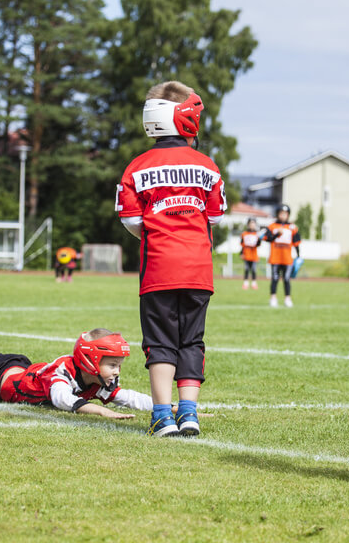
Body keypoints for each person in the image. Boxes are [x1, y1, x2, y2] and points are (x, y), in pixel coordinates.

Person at [0, 255, 153, 417]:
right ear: (90, 361)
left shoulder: (96, 381)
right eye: (112, 364)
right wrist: (101, 412)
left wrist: (163, 406)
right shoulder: (63, 374)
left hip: (11, 370)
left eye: (117, 365)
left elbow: (127, 398)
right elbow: (61, 398)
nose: (117, 371)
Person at [116, 81, 226, 437]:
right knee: (192, 340)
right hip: (198, 268)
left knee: (160, 341)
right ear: (186, 120)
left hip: (158, 269)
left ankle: (163, 416)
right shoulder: (207, 165)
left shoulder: (137, 166)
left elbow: (132, 221)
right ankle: (189, 413)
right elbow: (215, 216)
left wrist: (160, 231)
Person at [262, 204, 300, 308]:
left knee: (287, 279)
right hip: (275, 258)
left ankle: (288, 298)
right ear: (278, 214)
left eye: (285, 214)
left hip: (287, 258)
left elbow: (296, 243)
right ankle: (273, 298)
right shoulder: (272, 226)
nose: (283, 216)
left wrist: (298, 256)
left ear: (288, 215)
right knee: (275, 278)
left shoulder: (292, 227)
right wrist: (276, 234)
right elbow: (266, 238)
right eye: (281, 214)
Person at [240, 219, 262, 290]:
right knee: (246, 269)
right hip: (246, 254)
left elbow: (258, 244)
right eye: (251, 224)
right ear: (248, 225)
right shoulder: (244, 234)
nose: (252, 225)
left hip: (254, 255)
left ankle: (254, 283)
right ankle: (245, 283)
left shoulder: (256, 234)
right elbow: (242, 245)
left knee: (253, 269)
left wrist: (259, 239)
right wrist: (241, 253)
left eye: (253, 224)